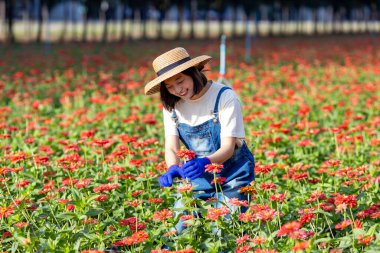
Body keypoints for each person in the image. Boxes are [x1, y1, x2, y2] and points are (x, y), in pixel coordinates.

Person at [144, 47, 255, 233]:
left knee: (222, 231)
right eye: (170, 87)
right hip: (197, 178)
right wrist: (172, 167)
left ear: (194, 72)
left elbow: (228, 148)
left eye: (180, 81)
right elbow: (171, 146)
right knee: (178, 232)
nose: (177, 90)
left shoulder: (224, 97)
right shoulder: (172, 106)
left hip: (233, 175)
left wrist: (205, 162)